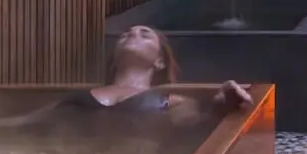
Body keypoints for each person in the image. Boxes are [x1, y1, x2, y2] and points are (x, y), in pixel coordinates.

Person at [79, 24, 253, 115]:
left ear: (160, 61)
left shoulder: (170, 101)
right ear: (115, 59)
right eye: (125, 34)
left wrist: (224, 102)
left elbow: (195, 122)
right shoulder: (78, 95)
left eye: (145, 34)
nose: (132, 34)